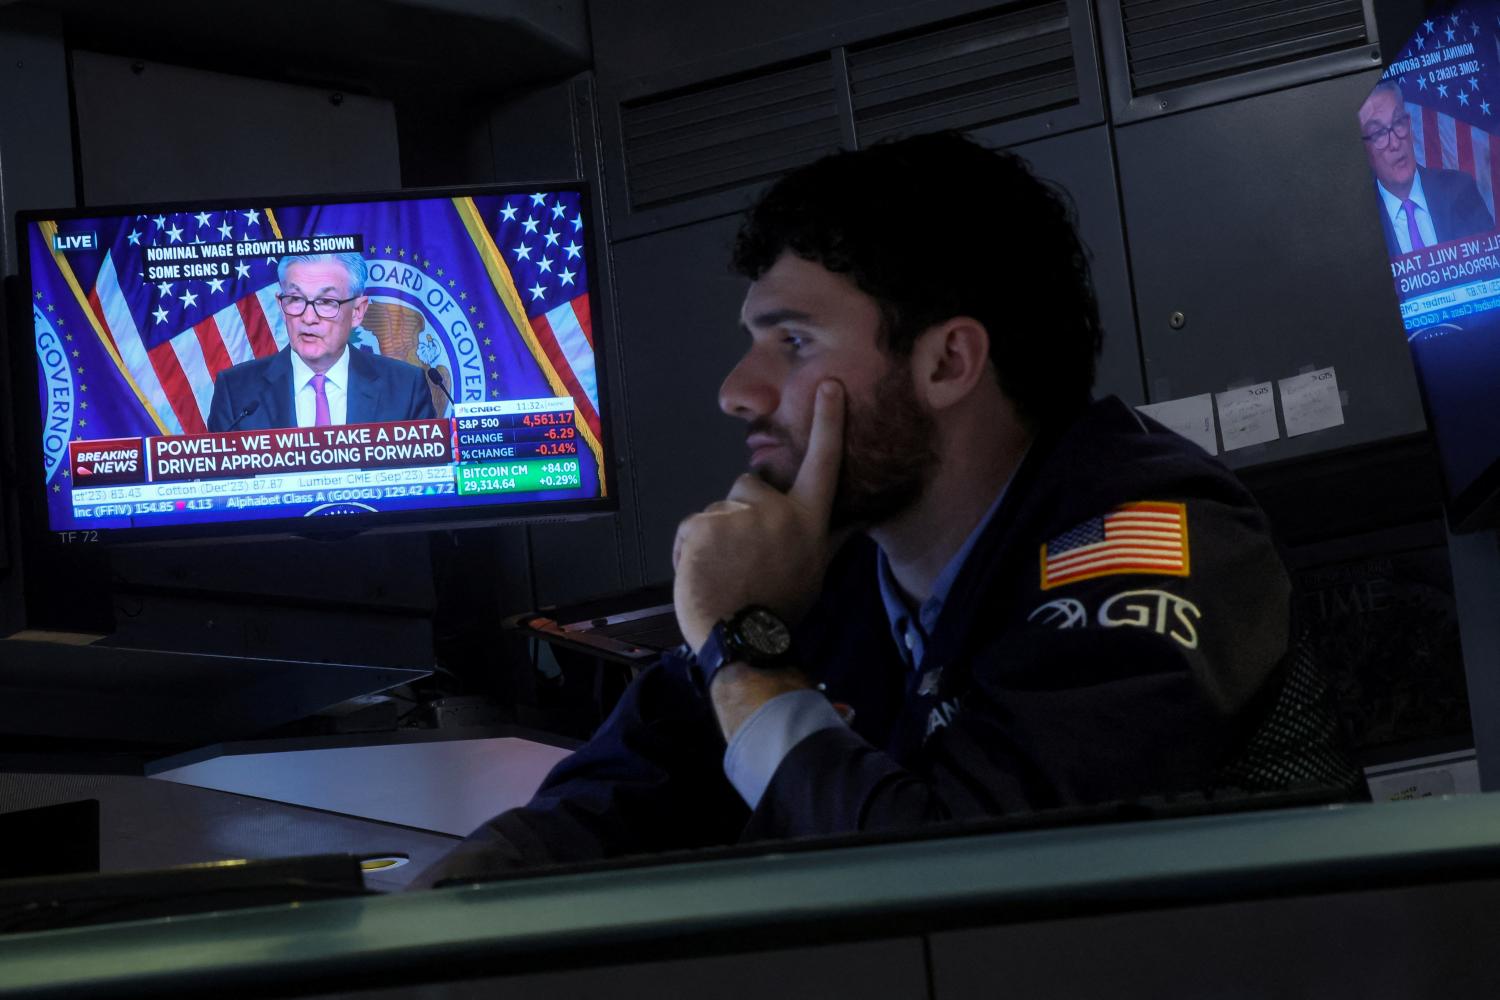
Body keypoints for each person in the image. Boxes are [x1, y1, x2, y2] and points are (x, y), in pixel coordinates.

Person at [413, 132, 1356, 887]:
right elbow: (602, 812)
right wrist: (443, 911)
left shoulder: (1149, 537)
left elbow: (963, 887)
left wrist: (743, 649)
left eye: (793, 340)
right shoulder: (840, 567)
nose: (738, 392)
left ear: (948, 362)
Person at [206, 250, 436, 431]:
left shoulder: (405, 387)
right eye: (295, 299)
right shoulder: (236, 392)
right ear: (280, 304)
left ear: (358, 311)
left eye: (326, 302)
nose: (308, 318)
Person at [1359, 80, 1494, 256]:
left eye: (1398, 122)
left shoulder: (1460, 189)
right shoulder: (1361, 221)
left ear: (1408, 124)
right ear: (1364, 148)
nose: (1395, 144)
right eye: (1378, 133)